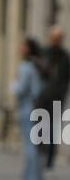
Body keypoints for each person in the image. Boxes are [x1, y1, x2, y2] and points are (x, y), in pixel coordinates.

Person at [13, 36, 46, 180]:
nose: (20, 49)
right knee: (36, 144)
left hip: (28, 107)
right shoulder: (37, 64)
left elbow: (20, 89)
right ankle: (37, 178)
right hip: (38, 107)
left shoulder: (26, 67)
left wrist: (12, 85)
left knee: (30, 145)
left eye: (22, 46)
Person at [40, 26, 70, 169]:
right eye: (54, 38)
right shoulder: (44, 54)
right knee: (41, 128)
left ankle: (49, 160)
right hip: (43, 97)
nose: (56, 41)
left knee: (53, 129)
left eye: (59, 39)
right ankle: (42, 157)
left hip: (57, 98)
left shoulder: (65, 57)